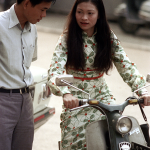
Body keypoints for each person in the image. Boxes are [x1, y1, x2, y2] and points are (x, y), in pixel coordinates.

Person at [48, 0, 150, 149]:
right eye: (80, 12)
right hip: (77, 101)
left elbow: (126, 65)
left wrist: (143, 90)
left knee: (121, 138)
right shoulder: (66, 38)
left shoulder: (108, 37)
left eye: (90, 13)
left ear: (99, 15)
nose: (84, 17)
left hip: (103, 98)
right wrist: (65, 93)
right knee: (73, 144)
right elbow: (54, 71)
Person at [0, 0, 55, 149]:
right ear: (26, 4)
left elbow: (27, 64)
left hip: (26, 100)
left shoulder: (33, 29)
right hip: (3, 100)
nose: (44, 15)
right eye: (42, 9)